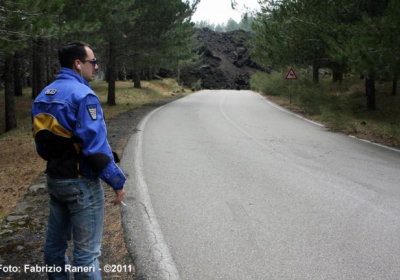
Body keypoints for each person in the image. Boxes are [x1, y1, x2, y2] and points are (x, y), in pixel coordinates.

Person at [31, 41, 126, 280]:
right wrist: (117, 181)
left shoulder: (43, 95)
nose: (95, 67)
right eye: (92, 62)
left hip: (55, 180)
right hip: (81, 183)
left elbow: (42, 147)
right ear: (77, 64)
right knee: (85, 257)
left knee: (54, 251)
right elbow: (94, 148)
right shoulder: (84, 96)